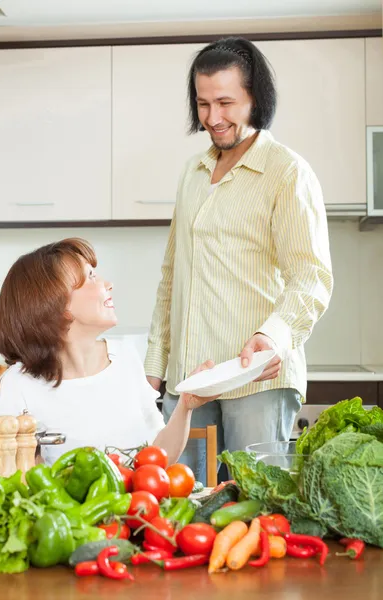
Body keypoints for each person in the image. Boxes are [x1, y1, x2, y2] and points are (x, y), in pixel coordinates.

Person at [145, 36, 334, 483]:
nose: (213, 118)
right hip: (189, 380)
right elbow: (172, 276)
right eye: (203, 103)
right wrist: (155, 366)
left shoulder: (287, 173)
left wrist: (274, 337)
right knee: (178, 506)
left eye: (226, 103)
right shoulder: (192, 173)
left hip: (258, 379)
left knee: (252, 507)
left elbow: (311, 276)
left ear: (256, 99)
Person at [0, 238, 217, 465]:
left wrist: (185, 406)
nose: (108, 284)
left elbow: (159, 457)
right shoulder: (18, 385)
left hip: (138, 501)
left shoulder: (125, 357)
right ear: (56, 303)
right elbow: (20, 483)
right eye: (90, 276)